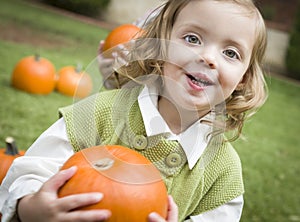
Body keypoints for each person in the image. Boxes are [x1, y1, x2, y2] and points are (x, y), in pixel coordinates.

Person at [0, 0, 268, 221]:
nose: (208, 57)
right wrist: (33, 208)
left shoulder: (223, 171)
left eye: (231, 53)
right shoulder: (99, 113)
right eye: (192, 38)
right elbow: (29, 172)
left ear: (242, 79)